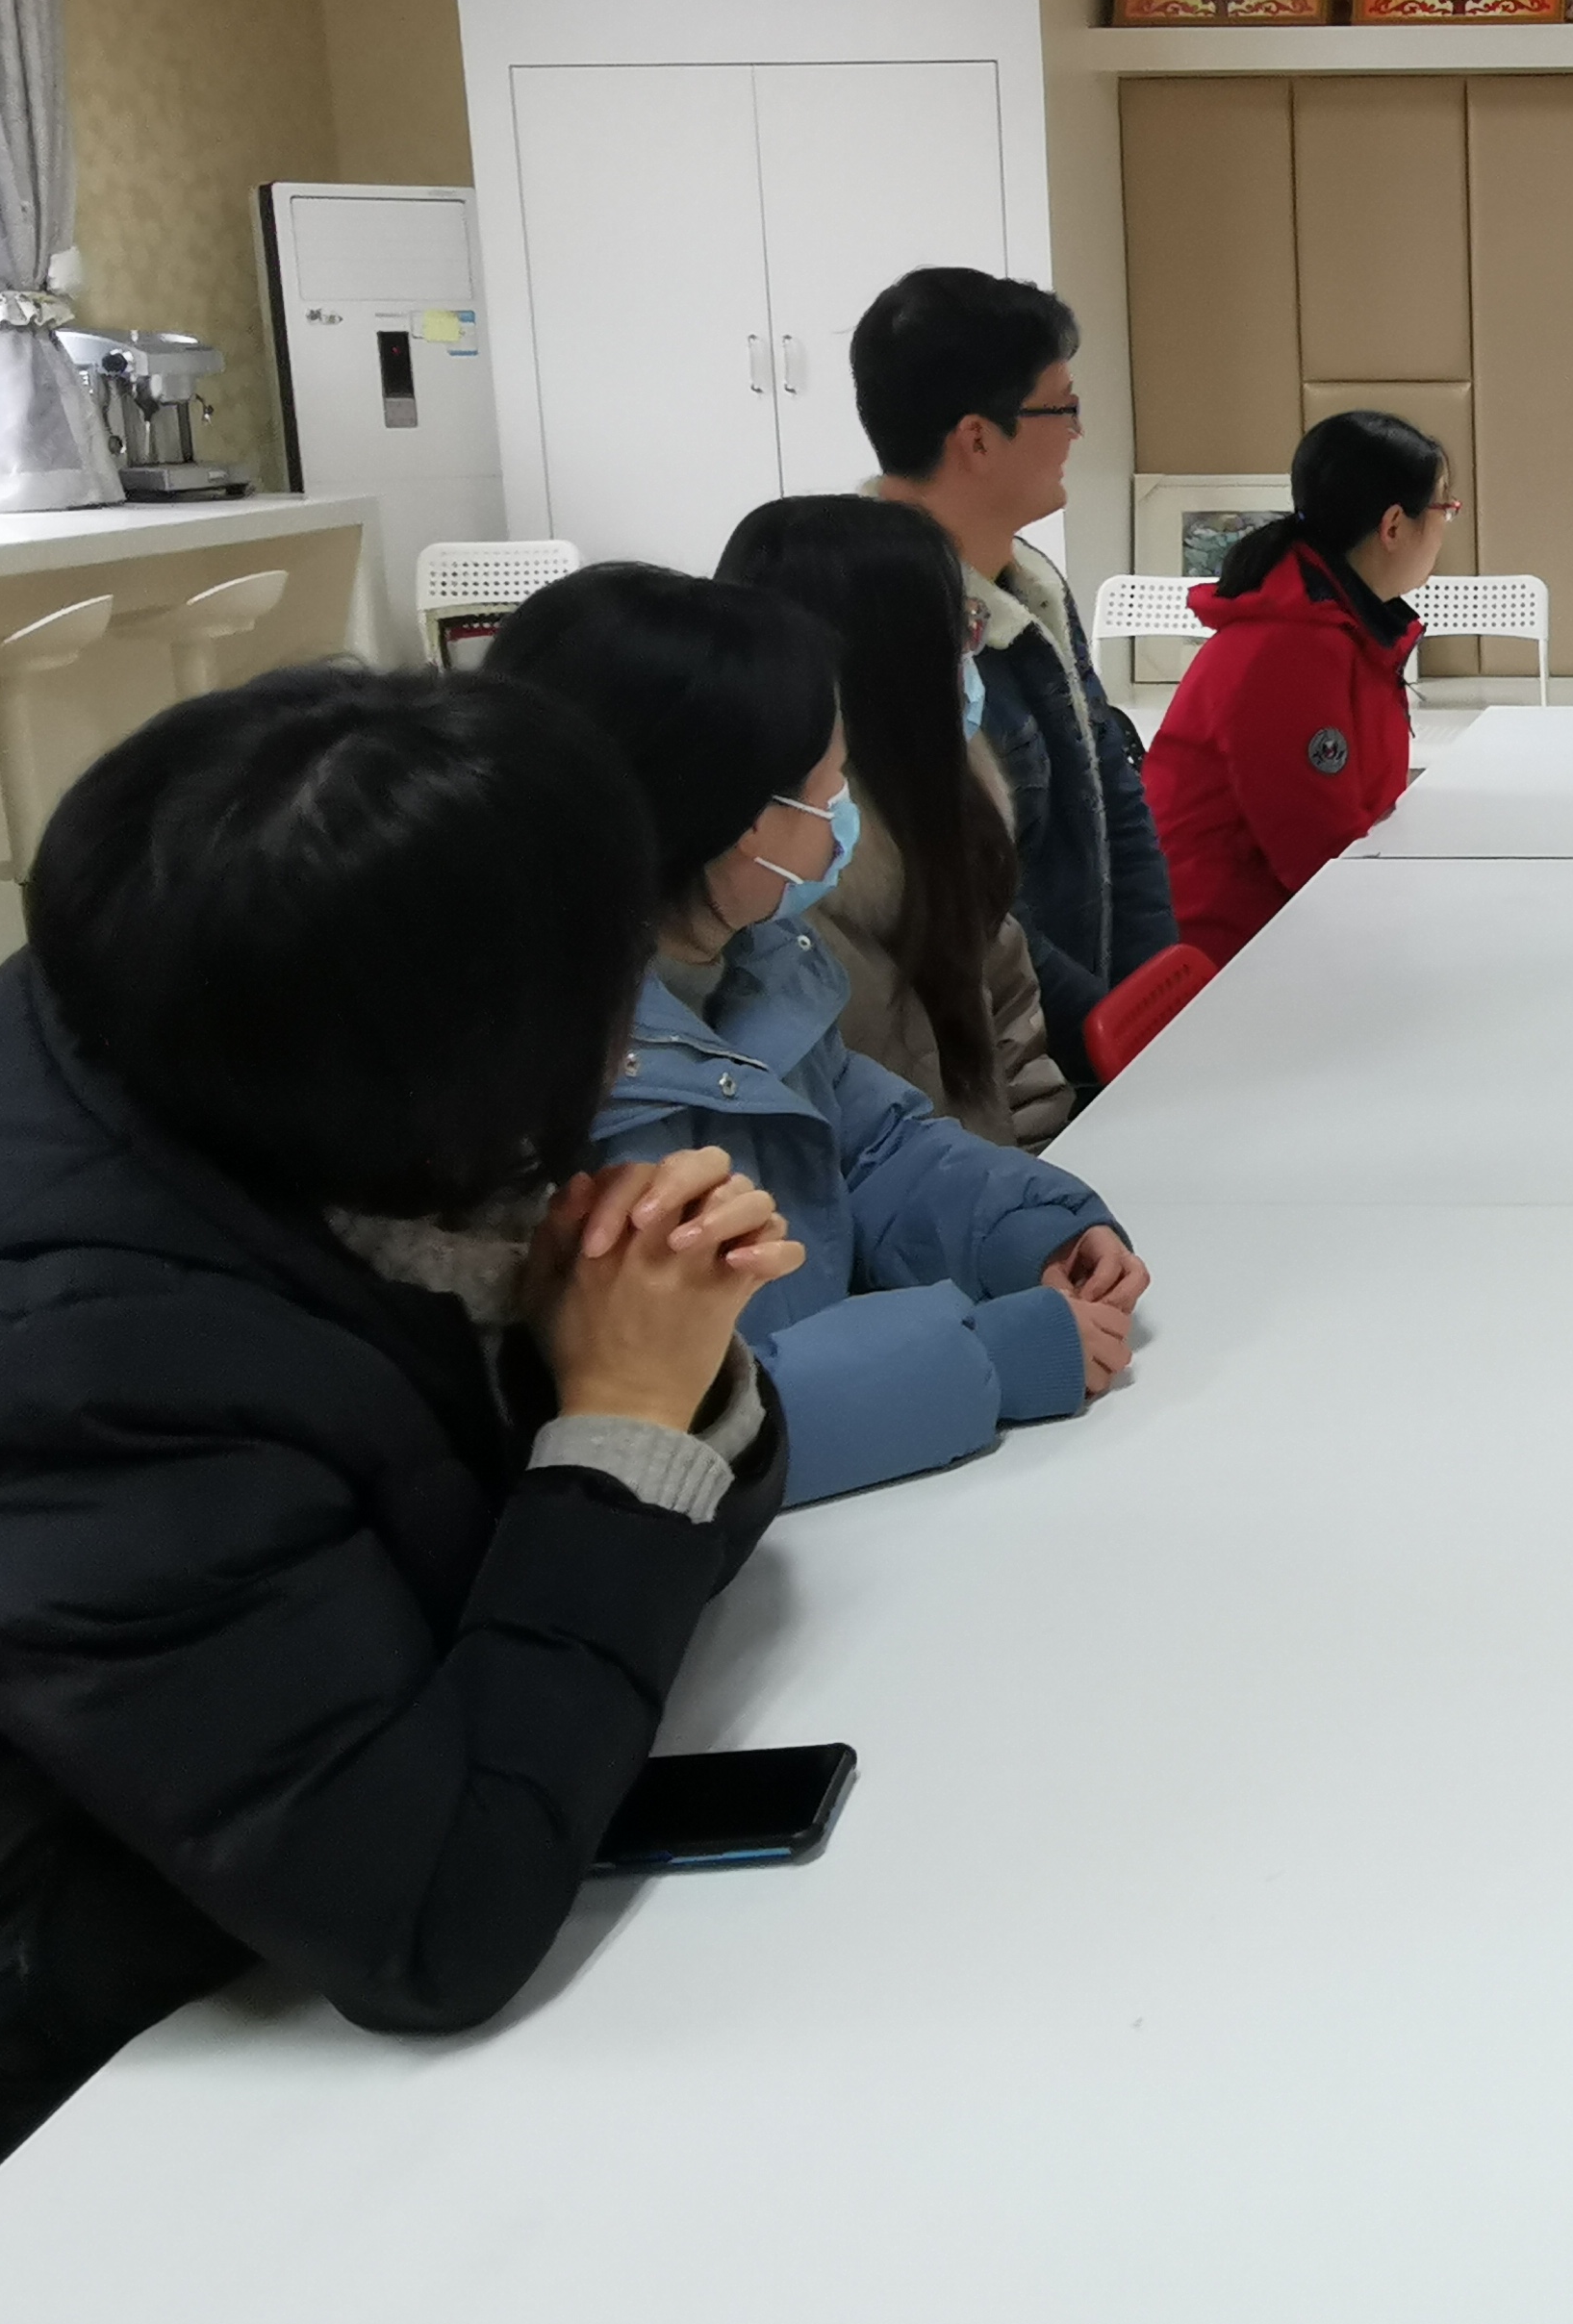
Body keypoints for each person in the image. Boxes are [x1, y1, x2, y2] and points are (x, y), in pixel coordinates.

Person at [0, 669, 797, 2324]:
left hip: (202, 2066)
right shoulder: (67, 1388)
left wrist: (660, 1368)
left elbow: (579, 1541)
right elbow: (431, 1920)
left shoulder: (278, 1121)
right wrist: (621, 1426)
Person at [489, 564, 1147, 1503]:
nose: (844, 807)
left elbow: (876, 1150)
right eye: (827, 782)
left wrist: (1031, 1228)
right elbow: (702, 1415)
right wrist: (995, 1353)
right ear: (731, 816)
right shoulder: (569, 1096)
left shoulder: (755, 963)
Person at [855, 266, 1172, 1092]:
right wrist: (1106, 1034)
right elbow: (980, 904)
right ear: (977, 439)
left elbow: (1115, 793)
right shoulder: (876, 615)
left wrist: (1154, 1005)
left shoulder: (1028, 580)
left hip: (1097, 1044)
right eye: (1062, 408)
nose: (1077, 432)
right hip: (1003, 1065)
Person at [718, 493, 1073, 1148]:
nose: (970, 653)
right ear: (896, 665)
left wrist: (1035, 1188)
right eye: (958, 628)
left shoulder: (953, 802)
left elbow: (1017, 1053)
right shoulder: (771, 882)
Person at [1144, 409, 1457, 962]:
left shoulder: (1341, 626)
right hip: (1230, 959)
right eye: (1443, 508)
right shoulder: (1291, 648)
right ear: (1392, 526)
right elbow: (1318, 857)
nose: (1448, 523)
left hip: (1289, 931)